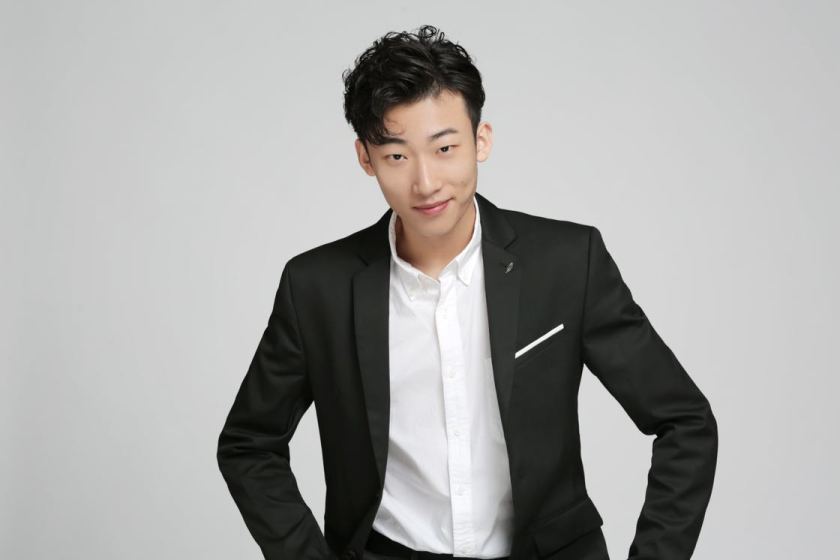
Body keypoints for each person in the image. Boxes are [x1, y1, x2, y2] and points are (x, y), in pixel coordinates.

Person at [217, 24, 718, 560]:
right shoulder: (318, 287)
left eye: (445, 148)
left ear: (481, 141)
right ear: (365, 158)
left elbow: (684, 421)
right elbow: (249, 443)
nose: (426, 182)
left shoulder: (569, 262)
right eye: (396, 156)